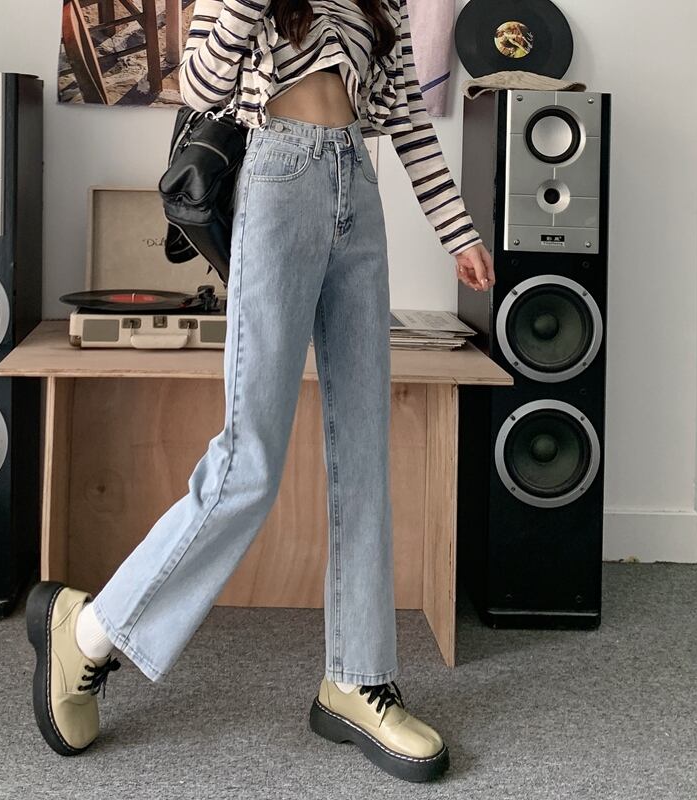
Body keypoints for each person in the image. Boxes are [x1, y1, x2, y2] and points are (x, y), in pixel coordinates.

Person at [26, 0, 495, 783]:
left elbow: (408, 120)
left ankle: (358, 679)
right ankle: (91, 631)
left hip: (357, 188)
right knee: (249, 460)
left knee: (363, 454)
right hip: (279, 179)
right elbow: (202, 85)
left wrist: (459, 232)